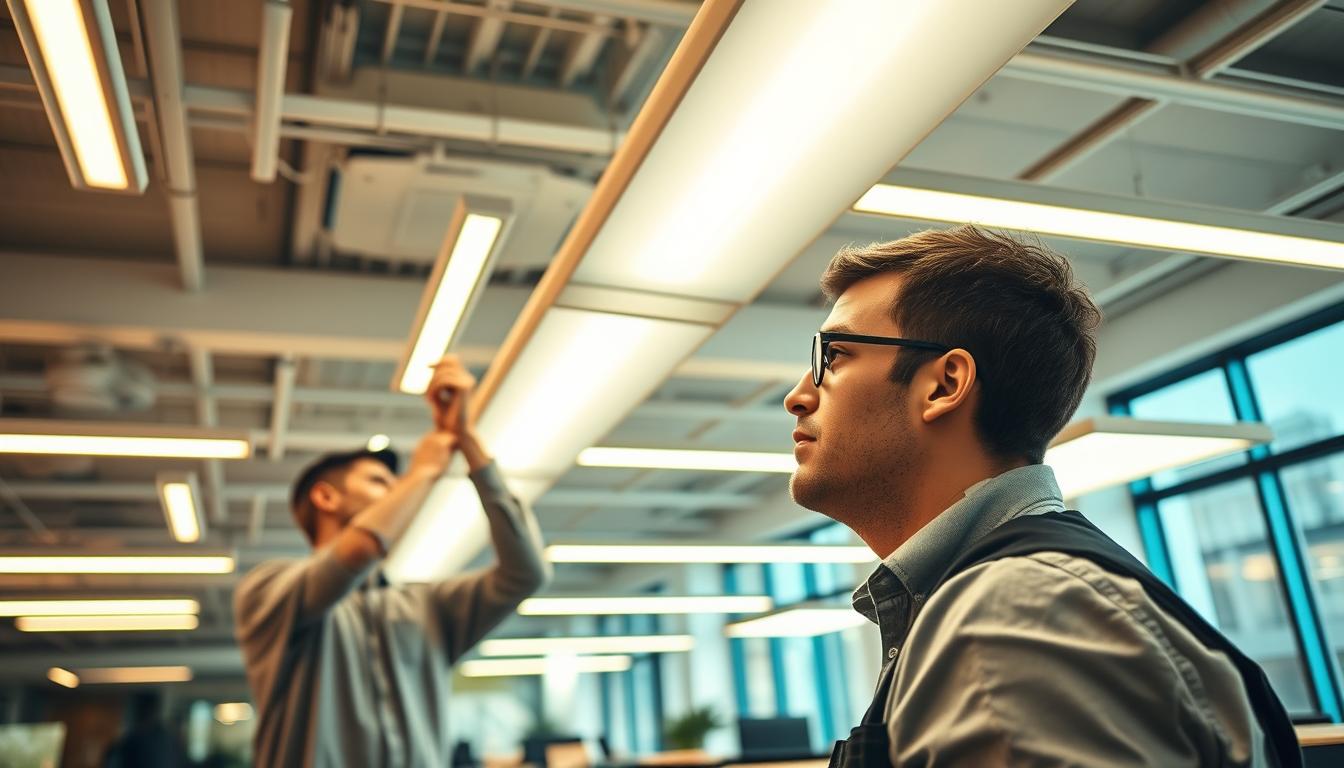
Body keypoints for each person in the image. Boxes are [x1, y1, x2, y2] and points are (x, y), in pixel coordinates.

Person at [783, 225, 1299, 767]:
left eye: (835, 356)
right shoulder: (1007, 595)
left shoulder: (1013, 611)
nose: (798, 396)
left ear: (943, 384)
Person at [234, 355, 550, 767]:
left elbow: (526, 574)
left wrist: (467, 439)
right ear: (326, 497)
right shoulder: (270, 591)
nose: (397, 492)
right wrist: (422, 473)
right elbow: (357, 552)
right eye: (379, 482)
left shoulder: (426, 606)